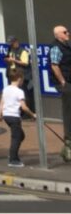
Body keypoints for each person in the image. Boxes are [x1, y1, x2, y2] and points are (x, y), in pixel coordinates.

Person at [1, 70, 36, 168]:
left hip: (6, 116)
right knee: (16, 138)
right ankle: (13, 159)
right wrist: (32, 114)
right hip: (14, 116)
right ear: (19, 79)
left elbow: (2, 102)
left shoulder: (6, 89)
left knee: (20, 135)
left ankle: (13, 153)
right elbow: (24, 107)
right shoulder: (20, 91)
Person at [49, 25, 71, 162]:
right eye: (65, 32)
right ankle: (68, 145)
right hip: (65, 83)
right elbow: (54, 65)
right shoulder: (56, 47)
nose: (68, 32)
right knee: (68, 112)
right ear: (58, 35)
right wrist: (62, 81)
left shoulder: (66, 45)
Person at [5, 35, 33, 113]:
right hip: (13, 73)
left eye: (12, 43)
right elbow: (7, 58)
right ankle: (19, 111)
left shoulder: (23, 51)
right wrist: (8, 60)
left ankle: (27, 112)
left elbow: (25, 63)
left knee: (23, 93)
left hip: (22, 75)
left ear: (16, 42)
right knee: (14, 93)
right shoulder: (10, 50)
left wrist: (14, 60)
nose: (11, 45)